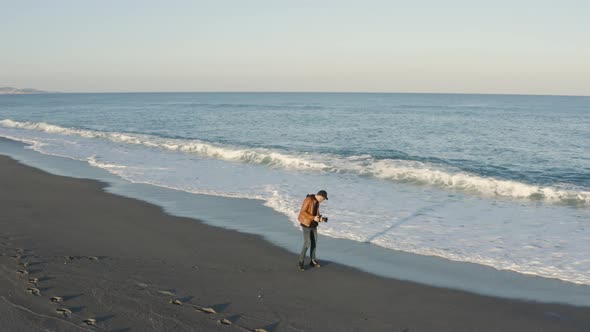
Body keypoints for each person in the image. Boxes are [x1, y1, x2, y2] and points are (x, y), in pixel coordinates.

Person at [297, 190, 328, 271]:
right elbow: (302, 212)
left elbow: (316, 213)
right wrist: (313, 218)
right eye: (324, 199)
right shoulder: (308, 200)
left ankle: (313, 261)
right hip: (306, 224)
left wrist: (320, 219)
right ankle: (301, 262)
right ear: (320, 196)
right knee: (307, 243)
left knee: (314, 242)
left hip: (313, 225)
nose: (323, 200)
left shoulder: (317, 202)